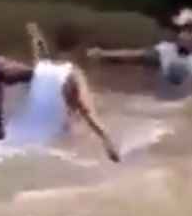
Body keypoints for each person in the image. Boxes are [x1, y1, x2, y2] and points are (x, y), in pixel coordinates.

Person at [9, 22, 120, 162]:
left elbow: (39, 54)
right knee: (75, 130)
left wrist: (36, 37)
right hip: (48, 141)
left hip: (17, 133)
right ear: (80, 48)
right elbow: (88, 113)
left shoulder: (41, 67)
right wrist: (108, 141)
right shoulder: (73, 75)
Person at [85, 7, 192, 99]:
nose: (180, 34)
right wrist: (104, 55)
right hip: (161, 111)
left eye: (186, 30)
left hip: (189, 113)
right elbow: (134, 56)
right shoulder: (163, 52)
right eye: (178, 29)